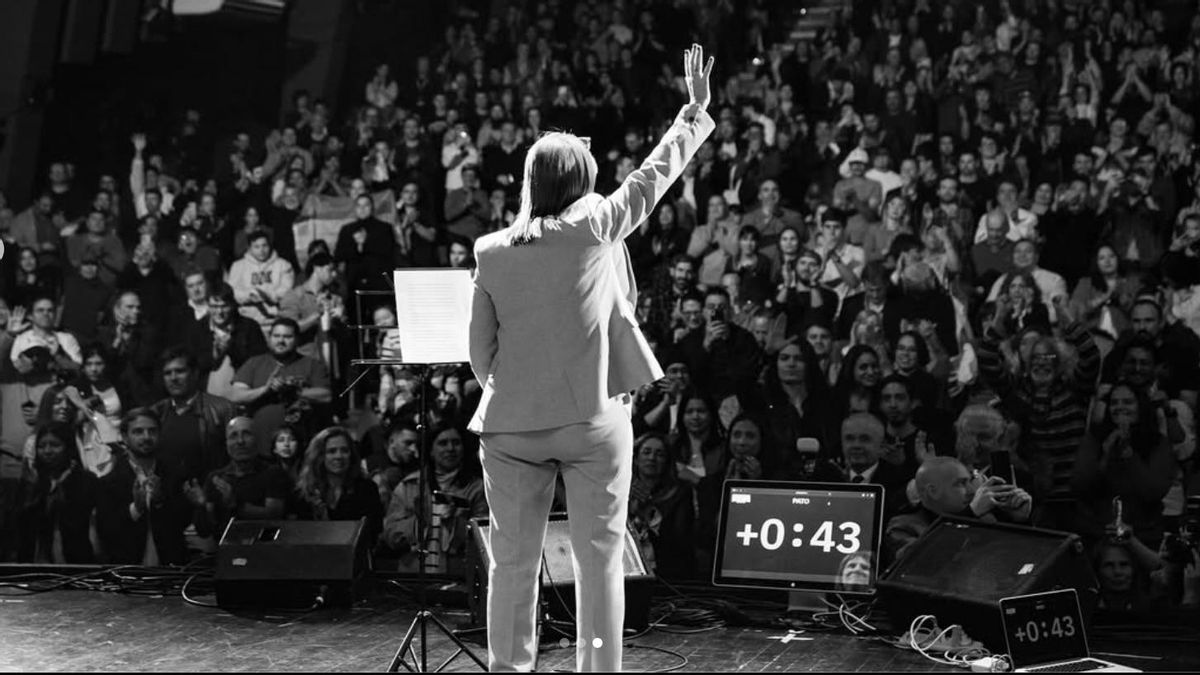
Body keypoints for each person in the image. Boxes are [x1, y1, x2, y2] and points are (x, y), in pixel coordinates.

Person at [466, 44, 714, 673]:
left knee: (512, 562)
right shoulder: (597, 226)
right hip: (592, 422)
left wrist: (511, 388)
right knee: (600, 556)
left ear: (530, 182)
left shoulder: (491, 250)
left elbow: (478, 350)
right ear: (581, 183)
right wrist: (693, 113)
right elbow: (652, 178)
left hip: (509, 423)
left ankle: (509, 669)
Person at [95, 409, 191, 565]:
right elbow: (106, 531)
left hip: (171, 569)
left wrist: (160, 501)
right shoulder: (108, 482)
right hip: (126, 571)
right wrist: (136, 509)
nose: (146, 437)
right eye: (138, 432)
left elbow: (183, 522)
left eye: (152, 431)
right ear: (125, 438)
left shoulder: (175, 475)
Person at [292, 426, 383, 547]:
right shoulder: (305, 491)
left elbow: (374, 532)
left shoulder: (367, 489)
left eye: (344, 450)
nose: (339, 456)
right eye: (331, 451)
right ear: (320, 456)